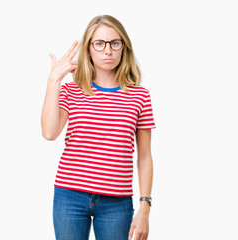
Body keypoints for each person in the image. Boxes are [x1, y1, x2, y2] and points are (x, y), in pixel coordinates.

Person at [41, 15, 156, 240]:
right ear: (89, 48)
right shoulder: (71, 91)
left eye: (115, 43)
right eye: (100, 44)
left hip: (117, 203)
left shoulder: (139, 96)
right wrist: (54, 79)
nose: (108, 51)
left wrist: (145, 206)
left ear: (124, 47)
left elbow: (144, 156)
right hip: (69, 196)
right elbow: (49, 132)